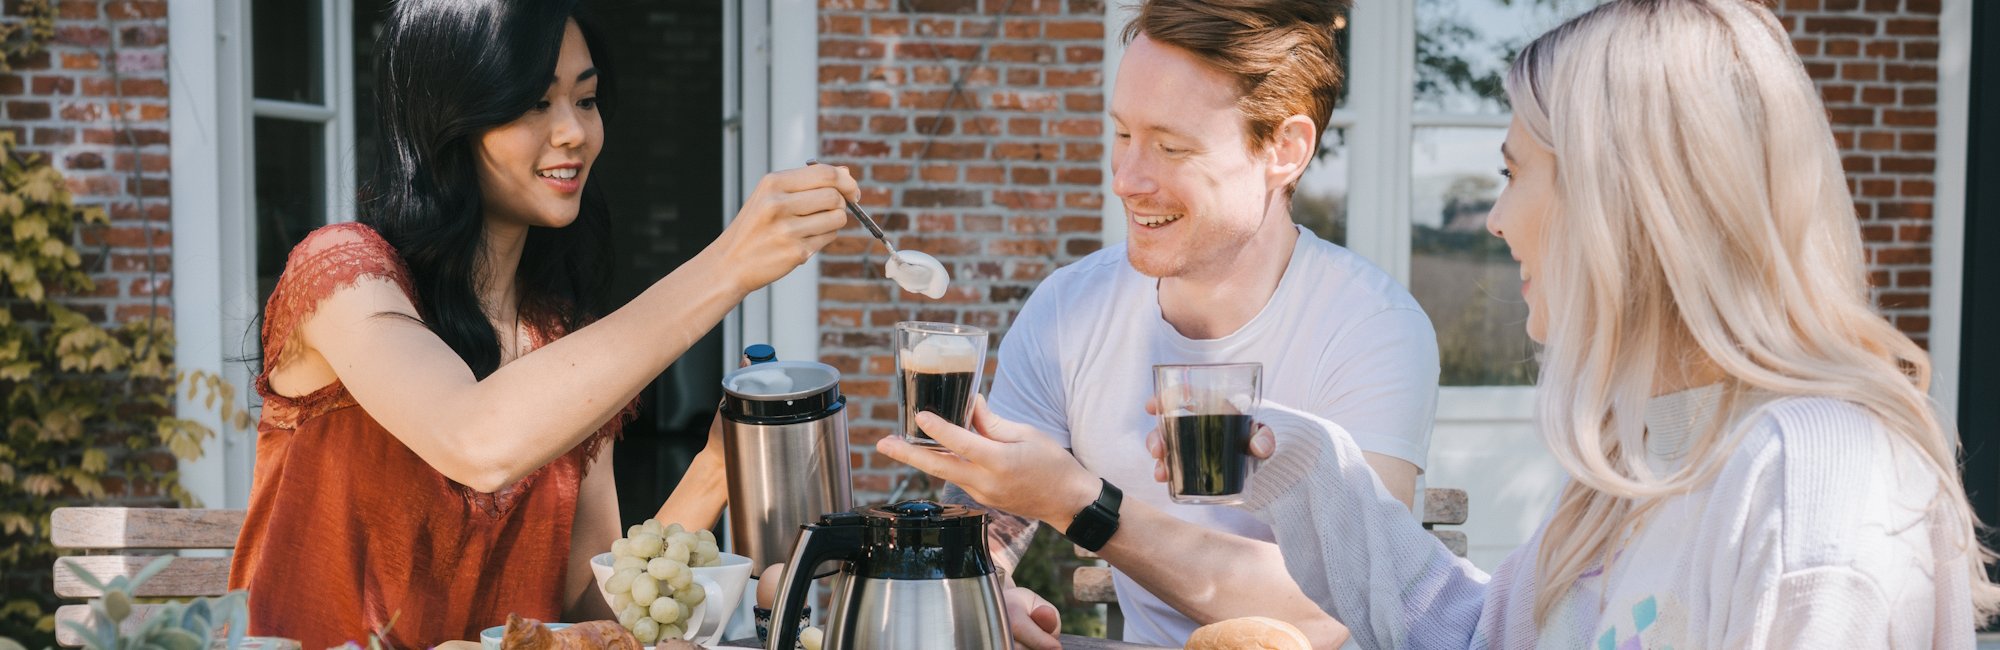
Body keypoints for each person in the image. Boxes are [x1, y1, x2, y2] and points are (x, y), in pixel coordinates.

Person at [1124, 0, 1995, 646]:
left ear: (1624, 199)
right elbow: (1475, 634)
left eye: (1515, 173)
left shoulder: (1809, 482)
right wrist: (1306, 469)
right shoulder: (1645, 455)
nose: (1496, 219)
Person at [227, 1, 856, 646]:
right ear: (449, 116)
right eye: (532, 103)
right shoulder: (342, 275)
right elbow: (475, 439)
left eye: (586, 101)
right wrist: (729, 264)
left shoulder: (561, 337)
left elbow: (592, 608)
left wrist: (719, 467)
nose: (574, 134)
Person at [878, 1, 1436, 647]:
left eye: (1171, 146)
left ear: (1285, 149)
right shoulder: (1072, 307)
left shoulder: (1372, 329)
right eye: (1123, 134)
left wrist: (1084, 505)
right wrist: (980, 582)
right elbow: (987, 521)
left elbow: (1344, 608)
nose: (1126, 179)